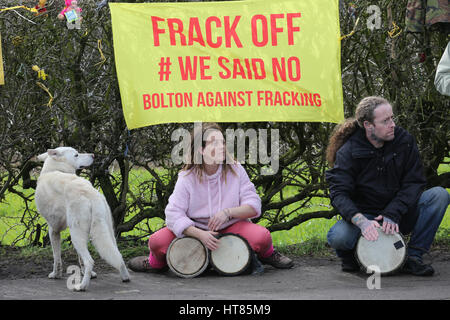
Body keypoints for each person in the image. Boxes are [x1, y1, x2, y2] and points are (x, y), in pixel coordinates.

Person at [128, 122, 293, 273]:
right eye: (214, 143)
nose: (221, 146)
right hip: (194, 230)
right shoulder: (187, 177)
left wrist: (227, 213)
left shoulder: (235, 169)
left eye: (222, 142)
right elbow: (173, 214)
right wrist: (199, 234)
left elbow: (254, 205)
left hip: (230, 226)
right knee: (156, 242)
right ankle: (155, 264)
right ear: (201, 149)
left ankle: (268, 255)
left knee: (262, 237)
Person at [325, 96, 450, 276]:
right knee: (338, 237)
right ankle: (352, 255)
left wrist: (393, 212)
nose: (392, 124)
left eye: (392, 118)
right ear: (368, 125)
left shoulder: (404, 140)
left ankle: (413, 256)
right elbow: (338, 194)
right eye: (385, 121)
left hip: (399, 214)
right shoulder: (348, 151)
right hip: (366, 215)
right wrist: (362, 221)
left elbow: (414, 182)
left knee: (439, 195)